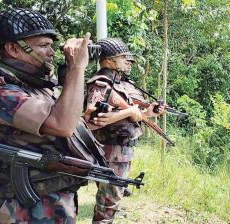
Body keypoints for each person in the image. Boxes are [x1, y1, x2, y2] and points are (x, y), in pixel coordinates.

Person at [0, 8, 91, 223]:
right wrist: (77, 68)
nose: (52, 52)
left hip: (52, 198)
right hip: (23, 209)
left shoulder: (33, 85)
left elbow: (71, 119)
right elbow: (62, 124)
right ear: (13, 48)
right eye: (44, 45)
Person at [84, 38, 165, 223]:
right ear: (110, 60)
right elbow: (92, 118)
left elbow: (132, 114)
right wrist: (129, 111)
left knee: (112, 197)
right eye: (123, 58)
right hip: (110, 149)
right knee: (108, 203)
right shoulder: (101, 83)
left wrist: (148, 112)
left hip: (123, 149)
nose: (128, 62)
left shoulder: (123, 83)